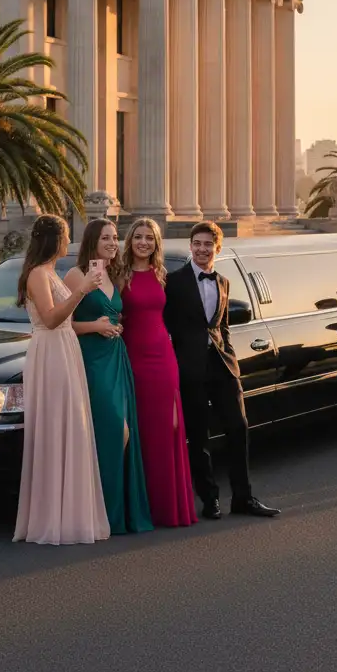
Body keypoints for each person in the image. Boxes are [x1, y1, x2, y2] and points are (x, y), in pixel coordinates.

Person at [163, 221, 280, 519]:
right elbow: (165, 326)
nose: (202, 249)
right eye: (197, 243)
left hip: (223, 367)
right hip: (190, 369)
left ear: (217, 248)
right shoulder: (173, 283)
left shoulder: (223, 282)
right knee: (199, 436)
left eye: (208, 245)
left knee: (238, 428)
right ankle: (210, 499)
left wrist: (232, 360)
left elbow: (222, 326)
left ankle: (244, 498)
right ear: (190, 246)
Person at [13, 215, 110, 546]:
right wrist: (81, 290)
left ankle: (69, 511)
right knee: (56, 427)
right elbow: (52, 319)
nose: (69, 243)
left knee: (71, 426)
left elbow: (65, 321)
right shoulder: (39, 274)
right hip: (51, 351)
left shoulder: (51, 273)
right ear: (55, 240)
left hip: (65, 349)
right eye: (66, 237)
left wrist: (94, 321)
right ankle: (51, 516)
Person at [67, 219, 152, 535]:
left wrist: (116, 326)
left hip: (117, 359)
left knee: (121, 432)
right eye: (106, 237)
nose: (113, 242)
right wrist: (96, 327)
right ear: (92, 240)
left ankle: (117, 514)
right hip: (91, 360)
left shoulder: (115, 275)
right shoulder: (76, 275)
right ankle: (99, 513)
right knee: (115, 430)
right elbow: (61, 322)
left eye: (116, 237)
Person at [119, 218, 197, 528]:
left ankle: (170, 505)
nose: (143, 242)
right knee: (141, 430)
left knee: (170, 427)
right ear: (130, 241)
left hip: (163, 359)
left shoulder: (163, 275)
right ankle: (144, 504)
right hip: (133, 358)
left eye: (149, 238)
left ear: (156, 243)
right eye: (138, 237)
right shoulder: (120, 276)